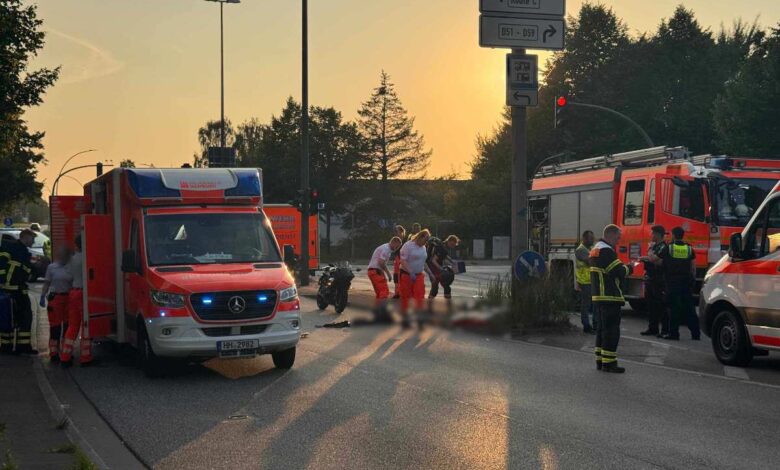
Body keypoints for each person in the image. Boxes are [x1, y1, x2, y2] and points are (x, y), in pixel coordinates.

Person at [590, 224, 632, 373]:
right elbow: (617, 271)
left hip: (600, 296)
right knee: (612, 330)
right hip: (609, 295)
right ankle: (610, 363)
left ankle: (601, 360)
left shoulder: (596, 249)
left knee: (602, 329)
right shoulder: (606, 251)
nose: (618, 240)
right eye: (617, 237)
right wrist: (630, 267)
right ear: (610, 235)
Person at [0, 229, 37, 355]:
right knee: (13, 317)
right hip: (11, 290)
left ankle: (16, 346)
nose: (33, 241)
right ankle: (12, 346)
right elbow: (2, 265)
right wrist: (3, 282)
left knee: (20, 318)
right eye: (32, 239)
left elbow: (23, 271)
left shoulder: (23, 252)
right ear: (25, 237)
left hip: (18, 290)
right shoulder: (12, 248)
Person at [660, 227, 701, 341]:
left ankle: (674, 334)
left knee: (674, 308)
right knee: (689, 308)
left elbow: (660, 262)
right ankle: (696, 334)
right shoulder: (689, 248)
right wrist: (693, 279)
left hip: (672, 282)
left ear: (673, 235)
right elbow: (693, 267)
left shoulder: (669, 248)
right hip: (686, 282)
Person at [60, 235, 93, 367]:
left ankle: (65, 356)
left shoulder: (72, 259)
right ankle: (86, 357)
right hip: (84, 293)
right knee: (86, 325)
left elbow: (68, 275)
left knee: (73, 325)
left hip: (73, 292)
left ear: (77, 245)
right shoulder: (87, 257)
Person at [40, 246, 73, 362]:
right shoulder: (52, 267)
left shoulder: (71, 267)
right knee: (55, 327)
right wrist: (42, 296)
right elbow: (47, 283)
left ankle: (66, 351)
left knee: (68, 326)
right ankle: (54, 352)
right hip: (56, 298)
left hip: (69, 298)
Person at [639, 225, 669, 337]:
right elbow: (652, 259)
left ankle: (665, 330)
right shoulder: (656, 246)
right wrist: (647, 258)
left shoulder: (663, 247)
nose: (651, 235)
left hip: (659, 279)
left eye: (652, 233)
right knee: (651, 306)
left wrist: (650, 253)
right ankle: (653, 328)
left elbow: (656, 260)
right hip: (650, 278)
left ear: (657, 234)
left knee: (661, 305)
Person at [399, 229, 430, 329]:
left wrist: (430, 273)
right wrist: (410, 271)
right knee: (406, 297)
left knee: (420, 297)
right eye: (425, 240)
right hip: (407, 275)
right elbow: (403, 261)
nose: (425, 243)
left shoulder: (423, 248)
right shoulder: (408, 246)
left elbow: (423, 262)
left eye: (426, 241)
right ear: (420, 237)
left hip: (419, 275)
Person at [368, 237, 403, 319]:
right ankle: (382, 313)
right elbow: (381, 262)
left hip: (373, 271)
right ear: (394, 242)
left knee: (379, 294)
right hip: (376, 271)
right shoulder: (386, 249)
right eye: (397, 246)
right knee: (384, 292)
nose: (396, 249)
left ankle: (377, 313)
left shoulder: (386, 248)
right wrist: (388, 274)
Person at [575, 230, 596, 334]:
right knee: (586, 304)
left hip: (591, 279)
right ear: (584, 238)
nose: (593, 240)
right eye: (590, 238)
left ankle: (593, 325)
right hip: (585, 280)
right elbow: (590, 262)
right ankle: (586, 326)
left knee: (593, 304)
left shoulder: (590, 249)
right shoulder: (581, 250)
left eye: (593, 238)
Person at [428, 235, 459, 300]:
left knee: (446, 286)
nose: (453, 246)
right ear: (449, 241)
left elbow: (444, 255)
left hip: (436, 267)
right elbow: (433, 260)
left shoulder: (443, 246)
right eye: (452, 244)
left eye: (454, 245)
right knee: (435, 288)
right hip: (433, 268)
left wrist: (452, 261)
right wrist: (441, 269)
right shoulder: (441, 247)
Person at [390, 225, 406, 299]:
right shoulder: (396, 239)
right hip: (397, 259)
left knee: (401, 276)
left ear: (401, 232)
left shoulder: (404, 241)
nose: (396, 233)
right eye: (395, 231)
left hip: (401, 259)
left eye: (397, 231)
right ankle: (397, 293)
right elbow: (393, 250)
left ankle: (401, 293)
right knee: (396, 276)